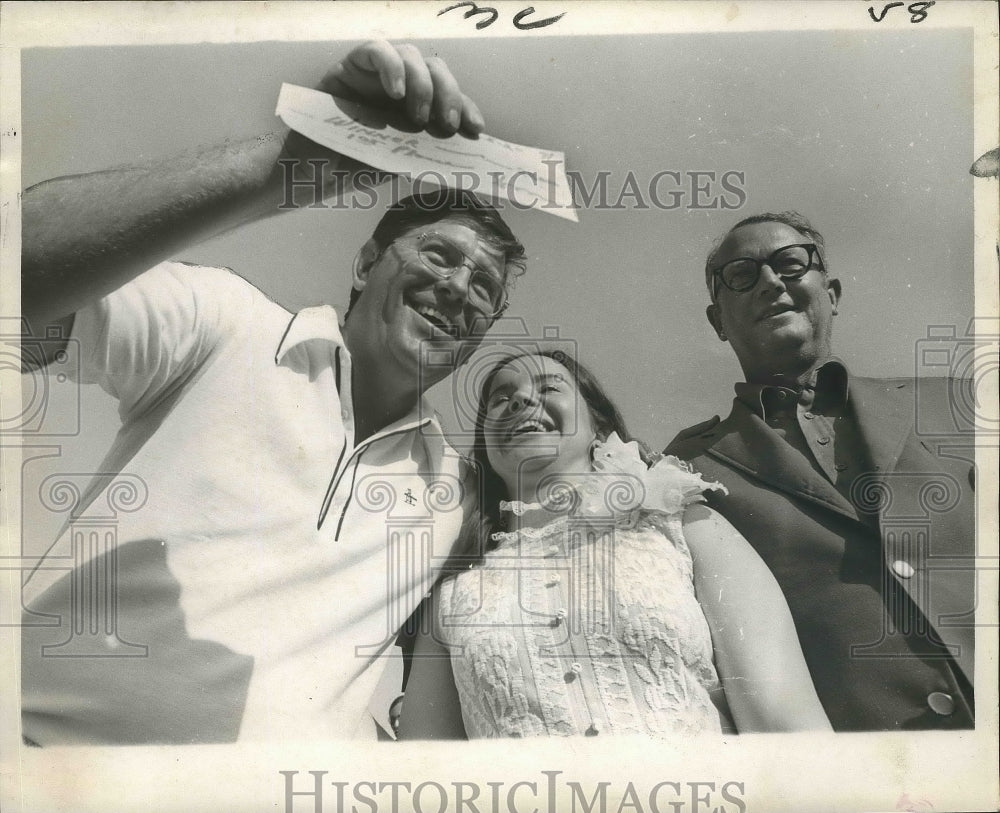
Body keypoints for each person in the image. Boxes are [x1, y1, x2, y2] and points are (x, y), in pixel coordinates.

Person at [19, 41, 527, 745]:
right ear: (366, 263)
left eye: (484, 288)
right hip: (47, 764)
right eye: (440, 255)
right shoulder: (226, 323)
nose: (457, 288)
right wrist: (293, 164)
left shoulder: (457, 492)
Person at [399, 350, 831, 739]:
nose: (521, 400)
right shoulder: (451, 597)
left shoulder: (687, 527)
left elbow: (786, 725)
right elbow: (426, 770)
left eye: (549, 388)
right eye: (500, 398)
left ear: (599, 427)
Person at [665, 212, 975, 731]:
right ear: (717, 321)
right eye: (741, 275)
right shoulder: (687, 473)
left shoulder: (957, 405)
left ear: (831, 294)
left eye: (790, 263)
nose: (770, 282)